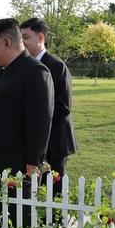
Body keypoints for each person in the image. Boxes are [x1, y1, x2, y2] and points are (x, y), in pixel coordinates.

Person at [0, 18, 54, 228]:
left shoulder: (36, 72)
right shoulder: (0, 70)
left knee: (18, 221)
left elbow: (40, 122)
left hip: (17, 168)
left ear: (7, 43)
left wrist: (32, 164)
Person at [20, 18, 77, 196]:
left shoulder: (56, 66)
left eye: (26, 37)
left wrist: (36, 124)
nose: (22, 43)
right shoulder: (24, 65)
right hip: (34, 143)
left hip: (55, 143)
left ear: (41, 37)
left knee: (54, 193)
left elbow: (63, 107)